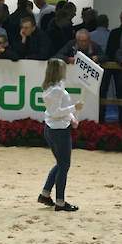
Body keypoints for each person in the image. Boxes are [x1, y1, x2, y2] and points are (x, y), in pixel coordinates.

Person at [38, 58, 82, 212]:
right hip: (59, 130)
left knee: (60, 163)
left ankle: (45, 194)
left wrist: (72, 117)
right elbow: (56, 112)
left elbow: (58, 109)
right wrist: (74, 108)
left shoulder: (53, 86)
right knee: (64, 165)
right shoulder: (56, 90)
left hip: (53, 128)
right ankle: (60, 202)